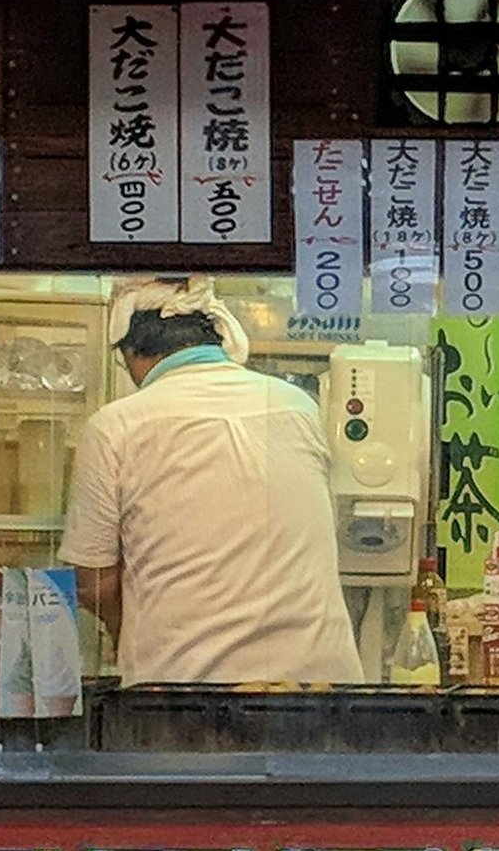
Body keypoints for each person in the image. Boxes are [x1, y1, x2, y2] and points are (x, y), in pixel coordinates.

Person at [59, 279, 361, 687]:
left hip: (188, 693)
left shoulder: (117, 426)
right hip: (319, 687)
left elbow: (93, 584)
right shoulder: (296, 406)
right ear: (215, 334)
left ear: (130, 353)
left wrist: (125, 632)